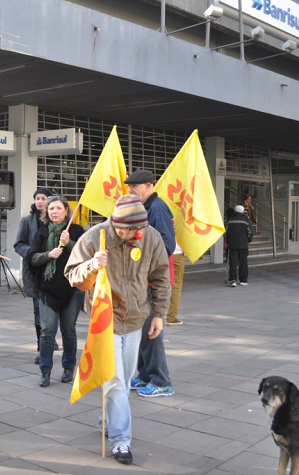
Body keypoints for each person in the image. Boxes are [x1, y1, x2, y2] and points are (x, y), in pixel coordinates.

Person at [65, 195, 170, 465]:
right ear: (116, 224)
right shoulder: (93, 237)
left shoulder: (150, 236)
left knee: (124, 379)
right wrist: (92, 265)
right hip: (105, 321)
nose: (136, 235)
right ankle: (121, 440)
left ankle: (108, 418)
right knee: (114, 382)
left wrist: (159, 313)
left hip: (136, 318)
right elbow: (73, 277)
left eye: (140, 230)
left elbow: (160, 276)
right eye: (130, 231)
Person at [124, 170, 176, 398]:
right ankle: (145, 375)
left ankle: (162, 381)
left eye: (134, 186)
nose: (130, 190)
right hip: (143, 281)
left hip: (154, 282)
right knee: (142, 332)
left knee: (151, 332)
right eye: (129, 187)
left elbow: (166, 245)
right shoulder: (146, 208)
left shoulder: (157, 208)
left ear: (148, 185)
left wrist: (141, 260)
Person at [26, 194, 84, 388]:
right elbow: (32, 258)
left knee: (68, 331)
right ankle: (45, 370)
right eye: (51, 209)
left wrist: (68, 243)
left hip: (72, 290)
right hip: (47, 290)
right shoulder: (42, 232)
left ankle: (69, 367)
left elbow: (85, 255)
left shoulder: (76, 230)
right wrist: (48, 255)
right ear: (46, 212)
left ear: (66, 211)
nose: (55, 212)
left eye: (58, 208)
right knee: (47, 332)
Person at [14, 186, 54, 365]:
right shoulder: (27, 221)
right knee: (39, 310)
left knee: (53, 310)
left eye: (43, 198)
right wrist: (32, 253)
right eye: (37, 198)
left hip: (53, 272)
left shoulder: (55, 220)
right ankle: (41, 347)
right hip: (34, 272)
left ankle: (49, 341)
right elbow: (19, 244)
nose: (40, 201)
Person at [226, 205, 254, 287]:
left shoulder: (230, 220)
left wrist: (228, 242)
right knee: (243, 263)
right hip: (243, 245)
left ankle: (233, 280)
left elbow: (226, 232)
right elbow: (251, 232)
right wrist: (248, 240)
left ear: (235, 210)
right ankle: (243, 280)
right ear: (242, 211)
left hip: (232, 245)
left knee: (233, 263)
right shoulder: (246, 219)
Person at [165, 240, 186, 326]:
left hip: (164, 252)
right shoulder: (183, 225)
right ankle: (171, 317)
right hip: (178, 253)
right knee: (176, 286)